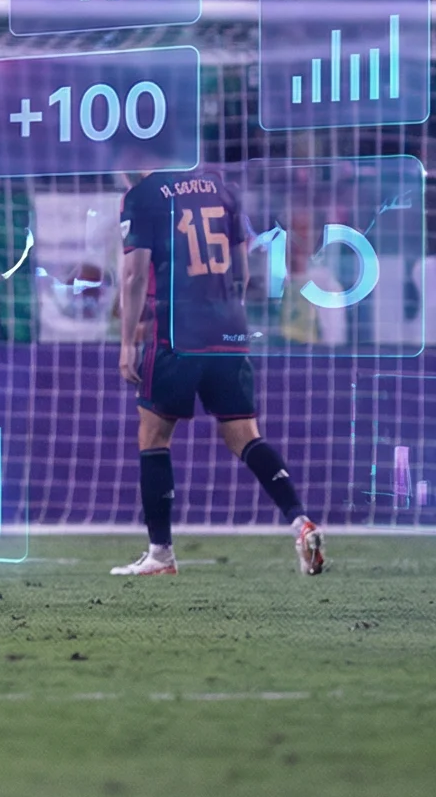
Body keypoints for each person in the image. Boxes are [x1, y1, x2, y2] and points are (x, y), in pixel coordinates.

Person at [109, 166, 325, 578]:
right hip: (229, 330)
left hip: (177, 333)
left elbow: (135, 274)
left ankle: (161, 554)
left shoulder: (143, 195)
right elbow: (242, 270)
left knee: (153, 435)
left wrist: (126, 343)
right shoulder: (222, 188)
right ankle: (300, 521)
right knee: (244, 435)